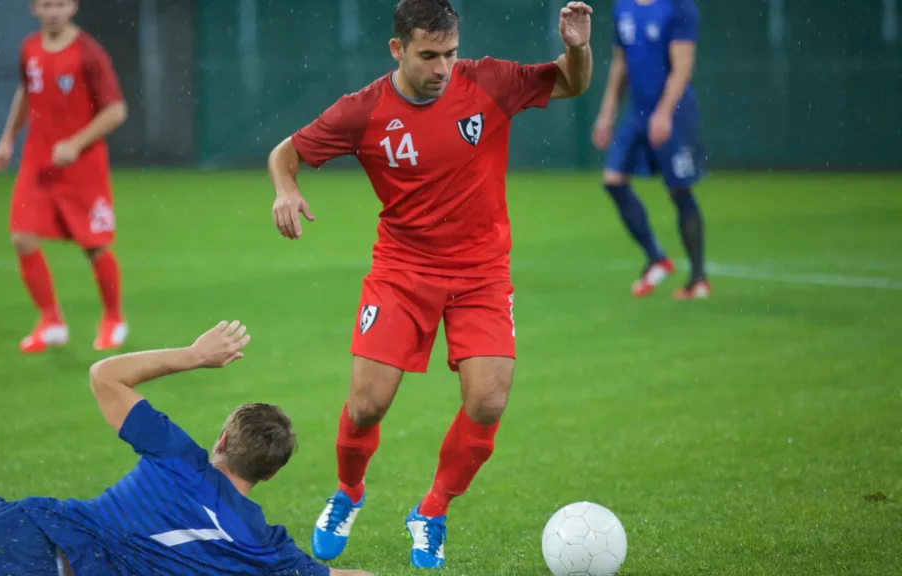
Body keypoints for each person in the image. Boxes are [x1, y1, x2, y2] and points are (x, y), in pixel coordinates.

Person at [267, 0, 593, 569]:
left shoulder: (488, 81)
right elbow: (285, 153)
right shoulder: (363, 110)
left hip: (482, 274)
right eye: (428, 56)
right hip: (402, 271)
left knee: (488, 402)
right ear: (397, 49)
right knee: (367, 405)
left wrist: (578, 47)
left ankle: (432, 510)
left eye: (450, 53)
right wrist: (286, 188)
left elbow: (572, 82)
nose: (443, 67)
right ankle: (348, 492)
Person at [0, 321, 373, 576]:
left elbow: (105, 376)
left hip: (23, 531)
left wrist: (193, 356)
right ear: (270, 474)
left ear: (221, 441)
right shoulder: (263, 546)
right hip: (53, 567)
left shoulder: (176, 455)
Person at [0, 0, 130, 353]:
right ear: (34, 8)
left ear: (73, 7)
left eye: (60, 4)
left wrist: (75, 143)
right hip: (38, 163)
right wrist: (7, 139)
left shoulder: (88, 53)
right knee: (22, 237)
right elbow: (26, 93)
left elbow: (116, 111)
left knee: (94, 245)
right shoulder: (29, 48)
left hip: (81, 166)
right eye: (46, 4)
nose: (53, 11)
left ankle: (114, 319)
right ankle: (51, 321)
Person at [591, 0, 710, 299]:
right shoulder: (623, 7)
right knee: (613, 180)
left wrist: (665, 112)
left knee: (678, 190)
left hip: (674, 112)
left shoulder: (679, 7)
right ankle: (657, 258)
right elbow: (620, 64)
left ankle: (698, 279)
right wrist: (607, 114)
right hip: (638, 114)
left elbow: (682, 67)